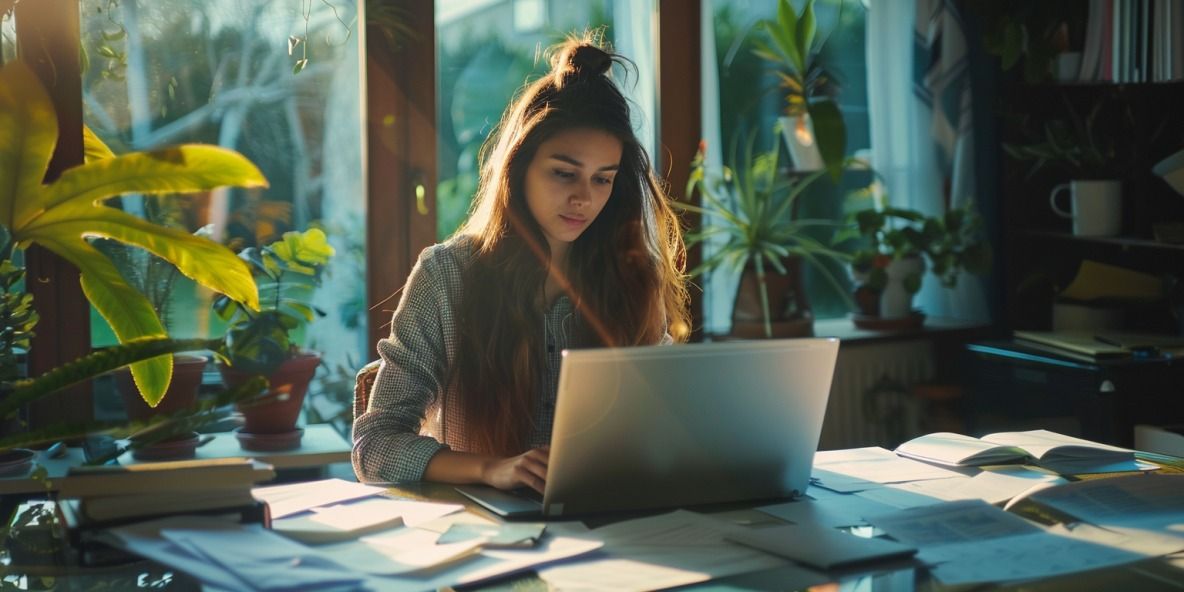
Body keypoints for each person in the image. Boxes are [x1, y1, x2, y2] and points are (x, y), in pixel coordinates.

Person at [352, 33, 690, 494]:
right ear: (518, 167)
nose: (584, 198)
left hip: (611, 522)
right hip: (489, 535)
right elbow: (375, 445)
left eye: (602, 179)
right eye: (564, 173)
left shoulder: (632, 276)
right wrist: (492, 469)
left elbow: (667, 423)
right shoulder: (447, 276)